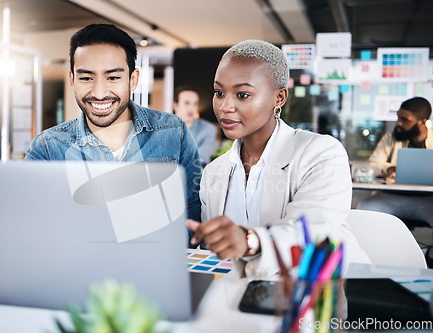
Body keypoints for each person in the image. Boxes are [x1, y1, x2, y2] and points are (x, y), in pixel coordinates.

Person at [187, 40, 370, 278]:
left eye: (242, 94)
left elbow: (313, 231)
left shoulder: (321, 153)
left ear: (279, 98)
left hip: (322, 293)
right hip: (248, 297)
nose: (225, 106)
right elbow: (217, 255)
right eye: (219, 93)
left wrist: (250, 240)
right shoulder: (213, 172)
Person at [24, 24, 201, 223]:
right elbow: (28, 217)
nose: (99, 93)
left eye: (113, 77)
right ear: (72, 80)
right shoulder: (48, 147)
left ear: (133, 80)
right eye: (86, 77)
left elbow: (193, 207)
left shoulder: (173, 132)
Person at [357, 97, 433, 227]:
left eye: (405, 120)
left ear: (423, 122)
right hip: (391, 198)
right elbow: (370, 166)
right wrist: (388, 169)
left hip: (427, 200)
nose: (399, 123)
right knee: (365, 206)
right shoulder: (390, 137)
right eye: (398, 117)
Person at [173, 86, 218, 167]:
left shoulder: (208, 129)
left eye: (195, 104)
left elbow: (201, 160)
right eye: (187, 103)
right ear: (175, 106)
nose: (191, 108)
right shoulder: (163, 128)